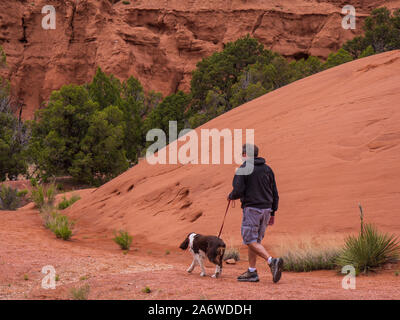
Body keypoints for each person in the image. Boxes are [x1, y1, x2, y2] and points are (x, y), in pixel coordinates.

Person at [228, 143, 283, 283]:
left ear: (246, 154)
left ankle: (272, 261)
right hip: (266, 210)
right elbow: (275, 192)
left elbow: (238, 190)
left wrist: (231, 196)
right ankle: (252, 272)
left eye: (242, 153)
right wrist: (273, 212)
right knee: (255, 241)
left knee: (249, 240)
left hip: (252, 209)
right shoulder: (267, 169)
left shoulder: (244, 169)